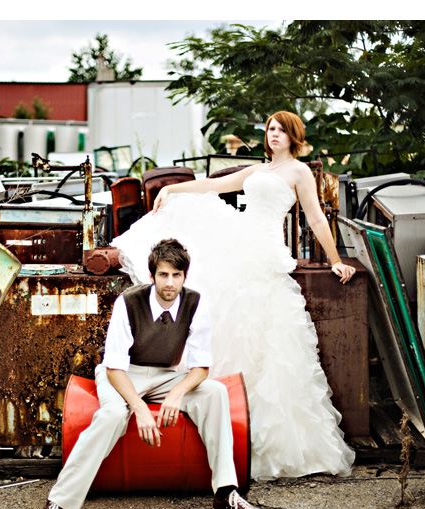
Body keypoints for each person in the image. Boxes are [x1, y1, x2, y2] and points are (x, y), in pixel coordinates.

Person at [112, 111, 357, 482]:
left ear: (294, 137)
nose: (274, 135)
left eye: (281, 131)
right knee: (226, 319)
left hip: (265, 252)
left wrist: (336, 260)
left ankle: (263, 437)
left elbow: (316, 217)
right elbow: (213, 187)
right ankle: (219, 426)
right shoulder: (257, 171)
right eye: (271, 129)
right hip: (240, 243)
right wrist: (171, 189)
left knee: (267, 340)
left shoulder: (299, 173)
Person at [42, 238, 267, 509]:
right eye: (163, 274)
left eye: (176, 275)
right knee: (111, 416)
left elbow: (201, 366)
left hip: (166, 375)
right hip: (124, 373)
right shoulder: (129, 302)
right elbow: (114, 367)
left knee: (215, 393)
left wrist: (176, 394)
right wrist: (139, 408)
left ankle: (226, 494)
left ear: (185, 276)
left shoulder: (195, 304)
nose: (170, 282)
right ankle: (57, 503)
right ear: (152, 276)